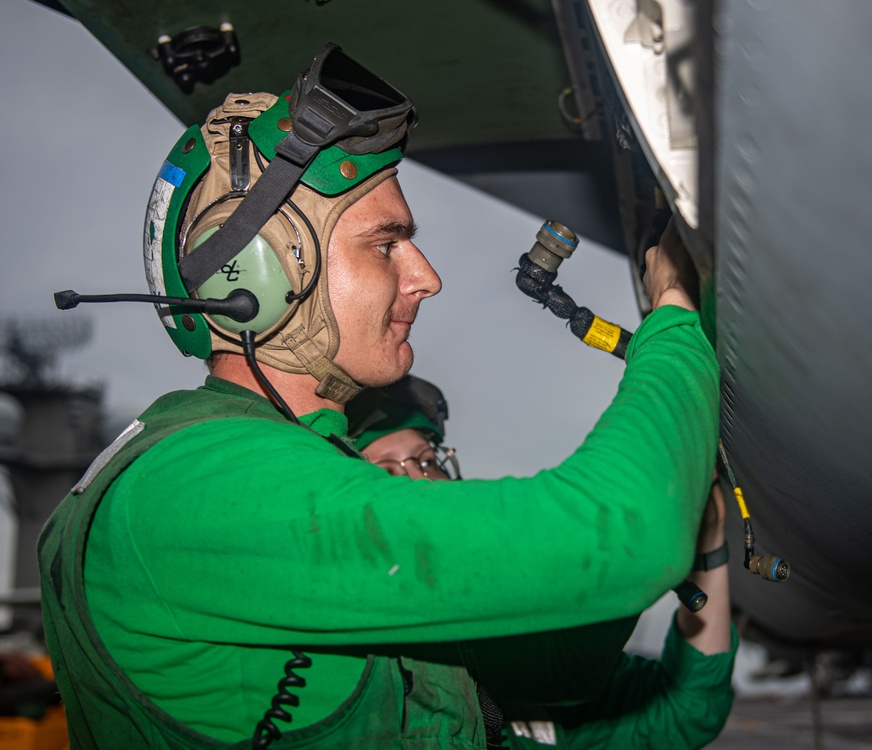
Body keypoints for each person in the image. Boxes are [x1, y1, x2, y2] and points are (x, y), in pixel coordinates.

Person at [37, 42, 721, 749]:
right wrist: (672, 317)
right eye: (386, 244)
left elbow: (556, 672)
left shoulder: (283, 469)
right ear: (257, 274)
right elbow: (627, 533)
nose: (427, 278)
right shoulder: (193, 484)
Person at [353, 376, 737, 749]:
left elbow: (684, 712)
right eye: (384, 471)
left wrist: (710, 539)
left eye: (424, 460)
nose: (420, 482)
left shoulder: (524, 653)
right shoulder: (345, 670)